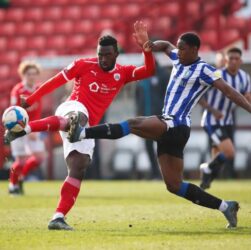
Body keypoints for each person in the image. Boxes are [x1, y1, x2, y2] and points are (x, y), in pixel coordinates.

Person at [68, 33, 251, 229]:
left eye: (182, 48)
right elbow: (165, 45)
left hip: (176, 124)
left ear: (194, 50)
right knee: (174, 185)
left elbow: (229, 91)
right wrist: (150, 45)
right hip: (171, 128)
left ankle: (82, 132)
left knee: (132, 124)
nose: (177, 51)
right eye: (178, 48)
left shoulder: (205, 70)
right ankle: (226, 206)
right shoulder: (177, 59)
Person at [5, 21, 155, 230]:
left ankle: (57, 217)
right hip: (72, 107)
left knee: (78, 168)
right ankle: (24, 129)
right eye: (99, 54)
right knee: (77, 117)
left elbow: (149, 70)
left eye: (106, 55)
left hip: (86, 128)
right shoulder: (83, 64)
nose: (102, 58)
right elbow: (55, 82)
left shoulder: (123, 73)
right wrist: (31, 99)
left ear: (116, 55)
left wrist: (146, 48)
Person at [199, 47, 251, 189]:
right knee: (229, 153)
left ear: (241, 61)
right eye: (231, 58)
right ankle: (207, 169)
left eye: (236, 59)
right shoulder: (216, 74)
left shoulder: (244, 77)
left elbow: (246, 97)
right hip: (212, 120)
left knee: (218, 156)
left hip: (227, 121)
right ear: (226, 60)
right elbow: (199, 97)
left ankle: (206, 178)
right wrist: (212, 110)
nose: (233, 61)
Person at [8, 61, 45, 195]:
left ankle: (20, 177)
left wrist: (34, 128)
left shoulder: (39, 88)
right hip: (17, 129)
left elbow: (38, 111)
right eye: (29, 74)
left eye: (34, 74)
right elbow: (12, 112)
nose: (32, 77)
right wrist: (25, 129)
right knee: (21, 161)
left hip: (33, 128)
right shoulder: (18, 90)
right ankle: (13, 185)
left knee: (40, 158)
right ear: (23, 74)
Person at [136, 61, 169, 179]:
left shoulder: (163, 74)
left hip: (160, 118)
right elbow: (138, 97)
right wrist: (139, 113)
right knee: (148, 146)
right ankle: (155, 172)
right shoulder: (141, 76)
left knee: (163, 146)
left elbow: (168, 95)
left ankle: (166, 172)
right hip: (145, 118)